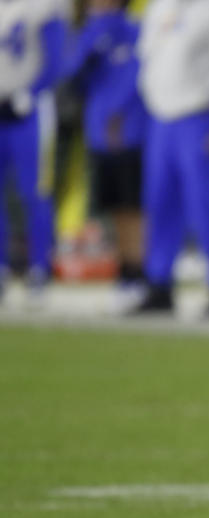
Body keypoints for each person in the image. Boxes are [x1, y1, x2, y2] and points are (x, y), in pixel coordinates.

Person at [134, 0, 209, 315]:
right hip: (161, 118)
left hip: (201, 117)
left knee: (206, 206)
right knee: (159, 204)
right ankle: (159, 284)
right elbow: (147, 61)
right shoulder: (159, 7)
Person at [65, 0, 148, 312]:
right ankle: (125, 274)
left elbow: (137, 78)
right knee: (115, 209)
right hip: (98, 132)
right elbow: (72, 74)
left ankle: (140, 274)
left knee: (133, 208)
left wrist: (122, 116)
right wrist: (91, 39)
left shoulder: (133, 29)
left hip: (129, 130)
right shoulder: (91, 31)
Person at [0, 0, 68, 306]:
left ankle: (39, 269)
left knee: (35, 191)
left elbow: (56, 61)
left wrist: (31, 92)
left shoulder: (44, 6)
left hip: (30, 111)